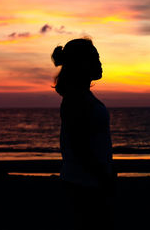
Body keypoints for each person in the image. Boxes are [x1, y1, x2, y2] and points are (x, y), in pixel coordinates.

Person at [51, 38, 116, 230]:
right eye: (95, 58)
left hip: (88, 182)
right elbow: (79, 146)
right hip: (83, 185)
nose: (100, 63)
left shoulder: (82, 96)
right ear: (82, 64)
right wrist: (104, 176)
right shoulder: (76, 99)